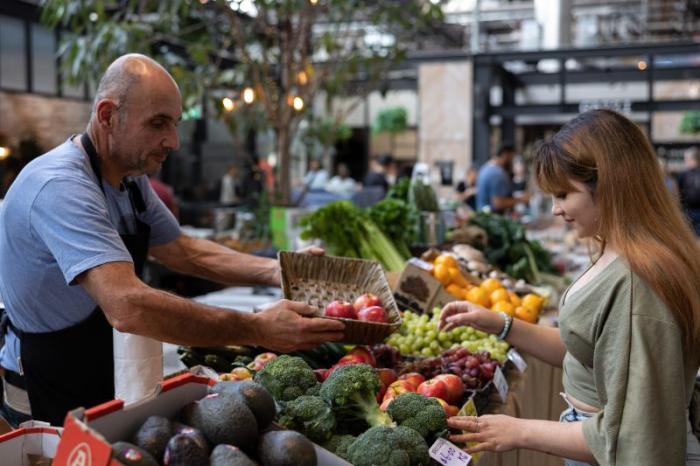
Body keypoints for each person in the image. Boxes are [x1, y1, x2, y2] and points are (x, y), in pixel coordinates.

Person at [0, 54, 344, 427]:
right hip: (44, 386)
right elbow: (127, 305)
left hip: (100, 372)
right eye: (158, 123)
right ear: (107, 116)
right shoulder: (61, 186)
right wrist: (258, 328)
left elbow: (182, 250)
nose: (174, 141)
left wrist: (282, 270)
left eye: (175, 124)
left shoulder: (129, 180)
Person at [440, 109, 700, 465]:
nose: (555, 208)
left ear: (609, 185)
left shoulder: (637, 285)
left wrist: (518, 431)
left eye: (563, 194)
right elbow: (588, 352)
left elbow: (633, 436)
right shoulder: (622, 251)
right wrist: (501, 324)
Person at [475, 145, 530, 213]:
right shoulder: (497, 173)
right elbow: (498, 203)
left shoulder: (485, 167)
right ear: (505, 155)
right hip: (491, 219)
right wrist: (521, 199)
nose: (512, 162)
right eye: (511, 158)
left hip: (482, 215)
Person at [678, 147, 700, 236]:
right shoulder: (684, 175)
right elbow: (678, 192)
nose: (685, 161)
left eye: (686, 159)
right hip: (688, 210)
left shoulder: (685, 175)